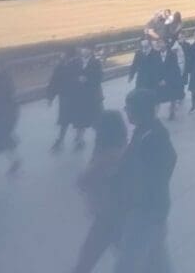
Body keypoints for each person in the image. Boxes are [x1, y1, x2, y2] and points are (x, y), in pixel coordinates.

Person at [115, 88, 177, 273]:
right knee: (156, 260)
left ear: (139, 110)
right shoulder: (145, 131)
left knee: (128, 262)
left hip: (146, 209)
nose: (126, 111)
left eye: (129, 108)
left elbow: (155, 174)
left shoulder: (152, 137)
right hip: (149, 208)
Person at [71, 110, 128, 273]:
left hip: (109, 214)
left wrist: (84, 179)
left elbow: (85, 179)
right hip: (113, 213)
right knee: (123, 253)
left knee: (89, 255)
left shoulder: (109, 155)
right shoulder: (119, 148)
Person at [153, 39, 184, 120]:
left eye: (161, 43)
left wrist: (166, 80)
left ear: (166, 44)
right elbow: (155, 69)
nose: (159, 45)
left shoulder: (172, 54)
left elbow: (173, 69)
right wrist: (158, 80)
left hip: (171, 79)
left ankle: (172, 112)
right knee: (157, 98)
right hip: (160, 80)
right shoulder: (156, 55)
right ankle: (154, 115)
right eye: (158, 43)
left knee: (172, 96)